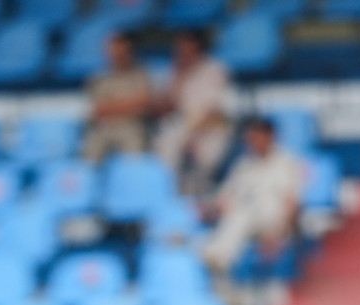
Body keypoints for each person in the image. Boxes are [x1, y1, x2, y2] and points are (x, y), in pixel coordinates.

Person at [201, 117, 305, 280]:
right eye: (250, 138)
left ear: (270, 136)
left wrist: (281, 233)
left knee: (242, 214)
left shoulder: (287, 162)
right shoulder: (244, 164)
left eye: (257, 137)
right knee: (238, 213)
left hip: (272, 219)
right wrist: (217, 206)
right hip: (244, 216)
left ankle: (216, 257)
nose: (253, 142)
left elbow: (293, 203)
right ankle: (216, 261)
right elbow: (225, 195)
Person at [153, 30, 232, 196]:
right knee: (166, 147)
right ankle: (173, 198)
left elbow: (214, 111)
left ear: (198, 49)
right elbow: (163, 109)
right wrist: (179, 79)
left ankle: (201, 196)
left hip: (211, 127)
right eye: (179, 50)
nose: (182, 53)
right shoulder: (175, 71)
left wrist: (193, 134)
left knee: (201, 154)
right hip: (181, 126)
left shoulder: (214, 69)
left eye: (187, 49)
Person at [82, 32, 153, 163]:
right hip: (105, 126)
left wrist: (112, 106)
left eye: (122, 51)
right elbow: (98, 110)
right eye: (115, 51)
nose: (118, 55)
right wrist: (129, 105)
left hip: (131, 126)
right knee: (89, 151)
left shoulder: (141, 75)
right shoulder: (99, 77)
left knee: (134, 154)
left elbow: (144, 104)